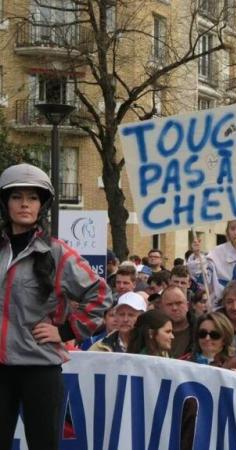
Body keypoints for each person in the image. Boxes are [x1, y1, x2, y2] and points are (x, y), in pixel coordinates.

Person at [0, 164, 113, 450]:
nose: (25, 203)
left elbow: (100, 295)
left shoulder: (56, 252)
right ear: (5, 203)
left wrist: (64, 331)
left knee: (44, 444)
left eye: (33, 197)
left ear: (42, 205)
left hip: (40, 369)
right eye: (16, 197)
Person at [159, 286, 195, 358]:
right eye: (169, 304)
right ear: (161, 308)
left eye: (179, 303)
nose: (174, 308)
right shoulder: (152, 332)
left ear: (187, 306)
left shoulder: (200, 331)